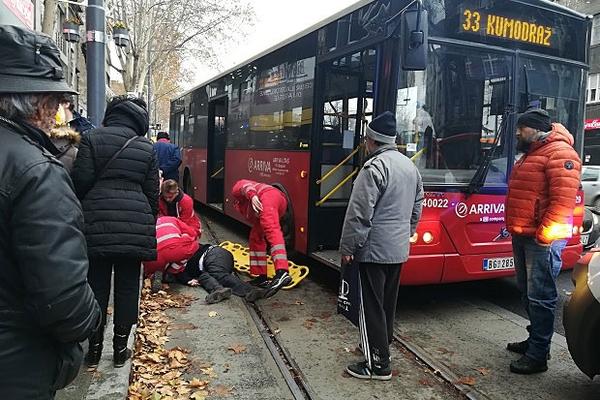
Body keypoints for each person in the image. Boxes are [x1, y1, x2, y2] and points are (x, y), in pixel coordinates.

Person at [0, 25, 101, 398]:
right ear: (38, 103)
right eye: (57, 101)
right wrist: (91, 322)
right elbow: (63, 298)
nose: (60, 111)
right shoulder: (35, 170)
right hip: (16, 367)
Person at [72, 95, 159, 369]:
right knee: (128, 286)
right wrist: (145, 221)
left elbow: (80, 182)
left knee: (96, 285)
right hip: (135, 224)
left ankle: (94, 349)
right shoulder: (146, 147)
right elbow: (152, 193)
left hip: (96, 222)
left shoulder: (91, 139)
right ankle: (120, 350)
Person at [340, 111, 424, 381]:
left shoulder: (373, 167)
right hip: (397, 249)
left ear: (371, 140)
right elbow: (418, 204)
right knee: (387, 303)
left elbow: (359, 213)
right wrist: (406, 232)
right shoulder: (409, 166)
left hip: (373, 250)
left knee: (371, 307)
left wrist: (348, 248)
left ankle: (378, 364)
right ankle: (381, 345)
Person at [505, 108, 581, 374]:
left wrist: (544, 237)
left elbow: (562, 204)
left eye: (521, 128)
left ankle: (538, 354)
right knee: (528, 295)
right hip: (525, 235)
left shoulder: (560, 154)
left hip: (542, 241)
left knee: (541, 297)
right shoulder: (533, 153)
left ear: (536, 128)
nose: (517, 132)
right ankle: (535, 340)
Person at [231, 179, 293, 297]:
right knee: (256, 237)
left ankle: (282, 271)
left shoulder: (236, 192)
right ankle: (261, 276)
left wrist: (253, 196)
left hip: (268, 197)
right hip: (270, 200)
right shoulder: (243, 205)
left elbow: (244, 185)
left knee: (272, 230)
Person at [176, 244, 266, 303]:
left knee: (218, 274)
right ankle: (218, 290)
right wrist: (188, 280)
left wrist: (186, 280)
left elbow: (176, 272)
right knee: (204, 277)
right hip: (211, 262)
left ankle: (251, 291)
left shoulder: (177, 254)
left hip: (214, 254)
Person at [143, 216, 200, 293]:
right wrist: (185, 237)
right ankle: (172, 271)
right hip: (173, 250)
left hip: (153, 254)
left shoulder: (155, 223)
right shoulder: (174, 220)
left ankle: (152, 275)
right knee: (194, 245)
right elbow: (193, 233)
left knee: (152, 268)